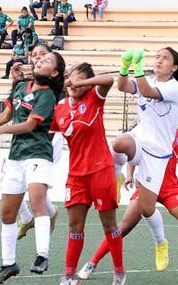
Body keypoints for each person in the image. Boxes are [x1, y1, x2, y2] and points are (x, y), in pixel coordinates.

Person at [0, 51, 65, 285]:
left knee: (38, 203)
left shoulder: (48, 94)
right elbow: (7, 114)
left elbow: (30, 125)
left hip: (38, 154)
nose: (40, 60)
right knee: (7, 214)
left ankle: (42, 256)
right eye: (39, 58)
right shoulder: (21, 86)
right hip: (16, 156)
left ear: (55, 73)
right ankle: (8, 263)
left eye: (47, 60)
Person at [113, 47, 178, 273]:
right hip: (140, 138)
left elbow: (148, 92)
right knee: (119, 143)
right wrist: (124, 67)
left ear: (174, 67)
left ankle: (161, 242)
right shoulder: (148, 79)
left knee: (146, 207)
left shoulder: (173, 88)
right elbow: (122, 86)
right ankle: (115, 180)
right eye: (158, 57)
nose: (159, 60)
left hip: (158, 153)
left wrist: (137, 69)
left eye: (165, 58)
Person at [78, 127, 178, 279]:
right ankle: (92, 263)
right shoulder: (145, 129)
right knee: (122, 228)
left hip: (170, 188)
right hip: (145, 186)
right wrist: (130, 175)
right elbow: (132, 156)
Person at [50, 63, 126, 285]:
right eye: (71, 78)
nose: (74, 82)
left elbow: (108, 81)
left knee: (109, 225)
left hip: (101, 170)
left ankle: (120, 273)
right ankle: (69, 276)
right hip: (76, 175)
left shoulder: (94, 98)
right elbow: (47, 133)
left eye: (80, 79)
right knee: (74, 227)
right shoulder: (60, 108)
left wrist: (82, 82)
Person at [11, 44, 59, 241]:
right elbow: (16, 106)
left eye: (42, 55)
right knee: (19, 184)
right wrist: (16, 82)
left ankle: (39, 216)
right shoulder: (29, 83)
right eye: (34, 55)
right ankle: (30, 217)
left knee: (32, 187)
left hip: (47, 140)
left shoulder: (53, 86)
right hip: (25, 140)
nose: (37, 58)